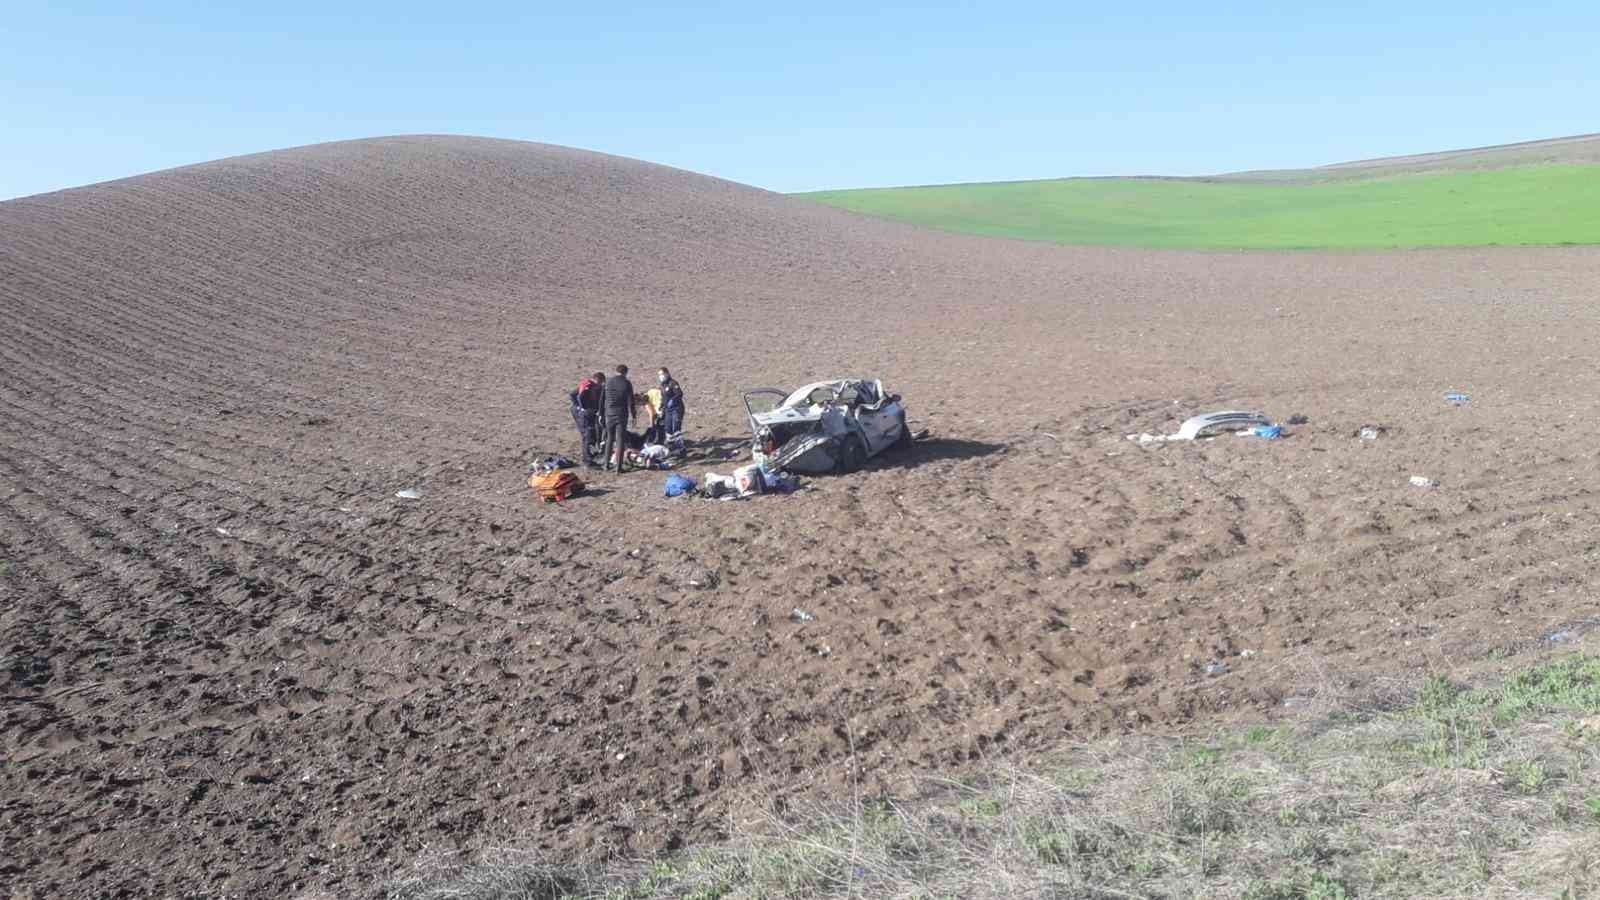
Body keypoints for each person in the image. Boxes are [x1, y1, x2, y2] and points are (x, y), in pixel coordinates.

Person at [599, 364, 635, 472]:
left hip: (609, 413)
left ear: (616, 371)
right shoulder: (626, 383)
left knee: (609, 438)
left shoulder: (608, 382)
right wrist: (634, 415)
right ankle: (618, 468)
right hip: (621, 414)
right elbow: (631, 402)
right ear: (625, 373)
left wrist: (600, 413)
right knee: (620, 440)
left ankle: (606, 465)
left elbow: (602, 399)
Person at [571, 371, 604, 468]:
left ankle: (590, 455)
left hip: (584, 413)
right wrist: (582, 407)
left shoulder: (588, 385)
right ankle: (587, 461)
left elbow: (572, 394)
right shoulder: (589, 386)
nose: (600, 385)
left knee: (589, 435)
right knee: (587, 436)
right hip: (585, 414)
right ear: (598, 379)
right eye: (601, 382)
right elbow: (578, 396)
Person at [657, 367, 686, 452]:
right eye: (659, 375)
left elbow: (680, 393)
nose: (661, 376)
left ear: (667, 373)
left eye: (662, 374)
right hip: (667, 410)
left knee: (676, 429)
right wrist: (661, 407)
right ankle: (671, 447)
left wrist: (673, 400)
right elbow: (663, 398)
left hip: (677, 409)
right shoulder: (662, 385)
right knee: (668, 429)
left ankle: (681, 448)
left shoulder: (672, 383)